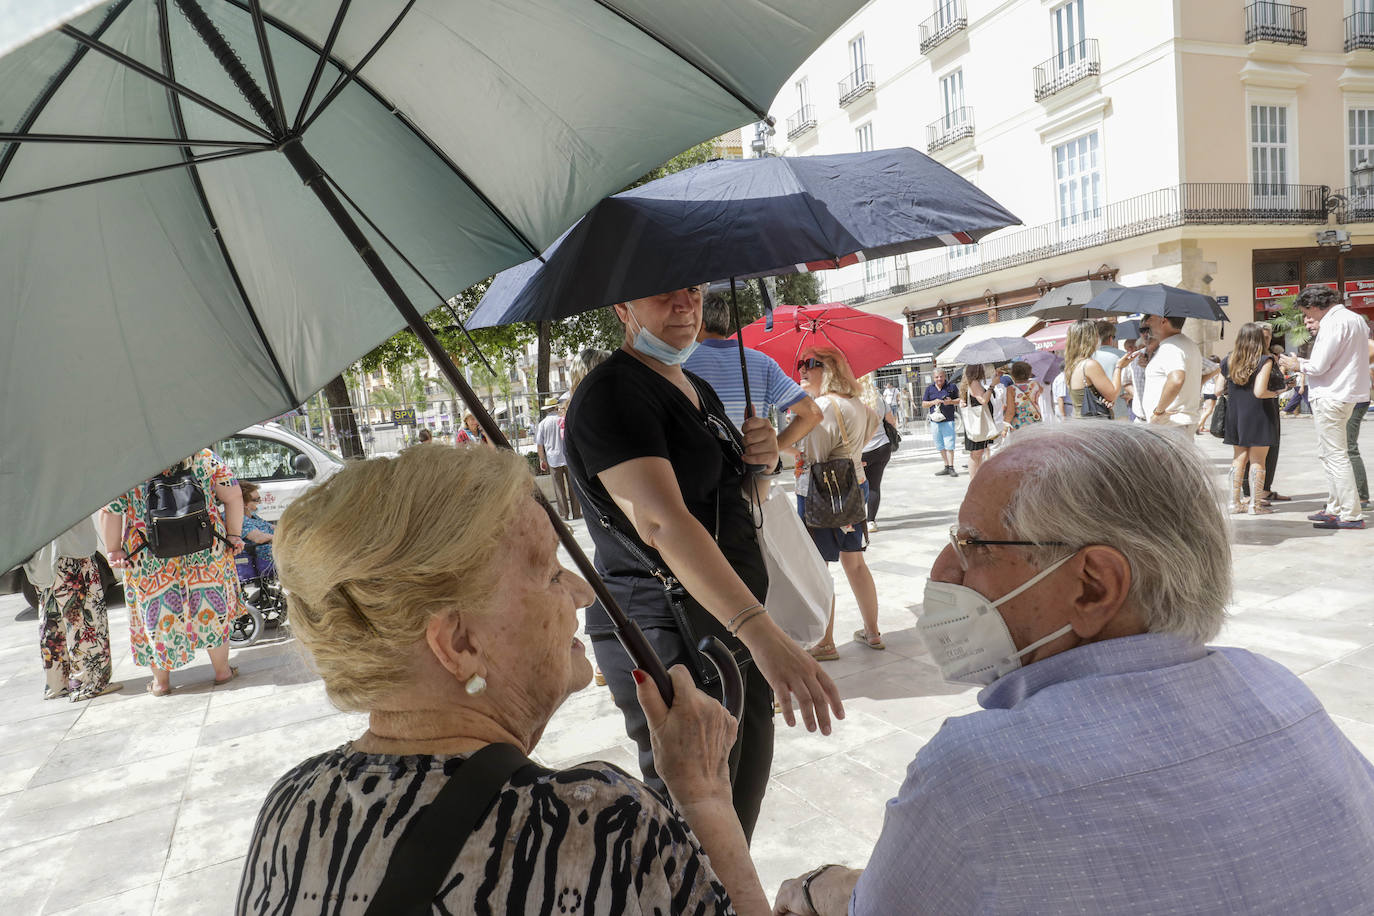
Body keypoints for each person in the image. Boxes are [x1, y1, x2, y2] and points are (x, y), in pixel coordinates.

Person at [774, 423, 1374, 916]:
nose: (942, 573)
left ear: (1092, 586)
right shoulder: (1279, 691)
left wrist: (820, 887)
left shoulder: (978, 776)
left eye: (973, 546)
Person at [238, 445, 777, 916]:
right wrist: (703, 794)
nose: (581, 593)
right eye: (548, 572)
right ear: (460, 645)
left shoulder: (290, 807)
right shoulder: (595, 829)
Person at [564, 283, 843, 841]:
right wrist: (765, 637)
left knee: (738, 804)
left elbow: (718, 499)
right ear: (623, 307)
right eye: (661, 293)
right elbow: (660, 521)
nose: (684, 305)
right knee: (700, 821)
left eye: (691, 289)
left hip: (723, 620)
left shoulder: (694, 386)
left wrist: (760, 455)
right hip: (669, 628)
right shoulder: (614, 394)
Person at [101, 449, 246, 695]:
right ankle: (222, 671)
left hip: (148, 555)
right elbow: (233, 495)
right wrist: (233, 534)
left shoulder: (127, 462)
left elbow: (111, 510)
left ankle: (161, 683)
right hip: (205, 547)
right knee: (211, 606)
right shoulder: (204, 455)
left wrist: (113, 550)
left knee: (156, 614)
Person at [796, 350, 883, 658]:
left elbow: (814, 457)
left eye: (810, 365)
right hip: (854, 487)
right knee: (855, 562)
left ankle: (825, 641)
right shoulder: (859, 405)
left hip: (822, 493)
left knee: (818, 567)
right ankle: (872, 632)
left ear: (828, 369)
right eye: (802, 365)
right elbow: (871, 434)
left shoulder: (822, 406)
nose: (803, 370)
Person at [1278, 286, 1372, 529]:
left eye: (1307, 311)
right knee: (1330, 454)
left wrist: (1296, 364)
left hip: (1332, 393)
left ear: (1314, 306)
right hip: (1347, 393)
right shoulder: (1355, 320)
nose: (1308, 318)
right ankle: (1336, 507)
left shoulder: (1333, 323)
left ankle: (1350, 514)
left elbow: (1319, 366)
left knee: (1336, 456)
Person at [684, 292, 822, 450]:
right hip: (752, 468)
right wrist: (772, 449)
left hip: (701, 468)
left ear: (701, 323)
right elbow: (813, 413)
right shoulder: (764, 363)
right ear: (725, 325)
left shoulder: (681, 365)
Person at [25, 516, 119, 701]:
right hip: (69, 546)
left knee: (52, 618)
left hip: (40, 551)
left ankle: (58, 683)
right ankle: (88, 683)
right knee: (83, 619)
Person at [1220, 323, 1283, 516]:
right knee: (1258, 460)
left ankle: (1234, 502)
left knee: (1238, 458)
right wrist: (1279, 391)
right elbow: (1260, 392)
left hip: (1235, 414)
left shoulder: (1228, 360)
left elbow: (1217, 390)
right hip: (1258, 414)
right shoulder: (1265, 360)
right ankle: (1255, 505)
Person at [1140, 313, 1202, 435]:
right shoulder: (1186, 344)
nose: (1147, 323)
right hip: (1176, 424)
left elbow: (1176, 380)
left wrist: (1158, 413)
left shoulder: (1171, 347)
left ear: (1163, 321)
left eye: (1150, 319)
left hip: (1169, 425)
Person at [1064, 318, 1130, 420]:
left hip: (1081, 422)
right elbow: (1112, 395)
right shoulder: (1089, 365)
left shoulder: (1073, 364)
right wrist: (1119, 367)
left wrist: (1103, 400)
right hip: (1094, 426)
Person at [858, 374, 897, 530]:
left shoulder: (853, 401)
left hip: (861, 449)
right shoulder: (879, 398)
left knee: (858, 486)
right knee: (875, 485)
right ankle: (871, 521)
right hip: (882, 447)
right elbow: (891, 420)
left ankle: (857, 520)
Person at [535, 396, 581, 520]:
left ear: (546, 410)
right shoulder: (564, 419)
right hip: (567, 457)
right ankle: (577, 513)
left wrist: (542, 459)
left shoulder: (542, 424)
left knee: (559, 489)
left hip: (552, 459)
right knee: (573, 486)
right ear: (555, 407)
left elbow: (540, 445)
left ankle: (564, 514)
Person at [959, 364, 996, 478]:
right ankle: (974, 479)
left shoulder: (968, 383)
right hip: (977, 424)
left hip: (975, 424)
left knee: (978, 452)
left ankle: (976, 478)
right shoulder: (974, 383)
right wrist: (992, 386)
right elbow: (983, 400)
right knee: (977, 453)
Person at [923, 368, 961, 476]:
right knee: (940, 445)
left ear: (944, 376)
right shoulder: (929, 389)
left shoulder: (951, 387)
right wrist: (933, 402)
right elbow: (924, 404)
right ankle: (946, 466)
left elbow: (960, 400)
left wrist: (951, 402)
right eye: (936, 377)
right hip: (935, 422)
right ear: (933, 378)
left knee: (950, 445)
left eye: (941, 376)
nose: (939, 379)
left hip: (948, 420)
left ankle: (951, 467)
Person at [238, 482, 277, 577]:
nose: (260, 502)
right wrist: (281, 537)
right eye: (256, 500)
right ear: (244, 504)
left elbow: (272, 527)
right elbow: (259, 538)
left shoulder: (253, 516)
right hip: (263, 561)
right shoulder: (237, 519)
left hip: (274, 557)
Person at [1002, 361, 1043, 432]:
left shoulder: (1011, 389)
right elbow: (1041, 391)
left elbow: (1010, 410)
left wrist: (1005, 426)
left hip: (1019, 422)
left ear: (1013, 375)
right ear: (1029, 374)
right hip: (1035, 418)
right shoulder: (1035, 384)